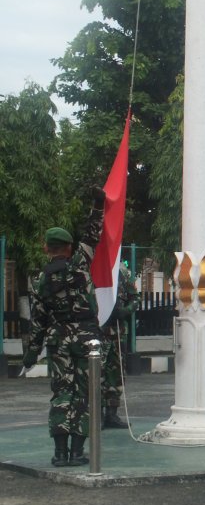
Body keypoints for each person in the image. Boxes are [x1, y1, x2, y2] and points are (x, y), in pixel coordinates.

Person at [23, 187, 106, 467]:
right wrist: (98, 204)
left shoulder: (40, 281)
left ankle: (59, 453)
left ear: (46, 248)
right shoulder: (80, 263)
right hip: (87, 339)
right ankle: (77, 452)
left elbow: (38, 322)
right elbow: (93, 232)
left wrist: (30, 355)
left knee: (62, 393)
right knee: (85, 393)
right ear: (69, 247)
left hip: (58, 341)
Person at [100, 263, 140, 428]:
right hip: (98, 333)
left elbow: (135, 297)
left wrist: (126, 310)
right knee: (96, 373)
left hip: (118, 332)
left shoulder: (122, 272)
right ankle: (97, 414)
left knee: (117, 374)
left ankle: (111, 414)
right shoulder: (94, 269)